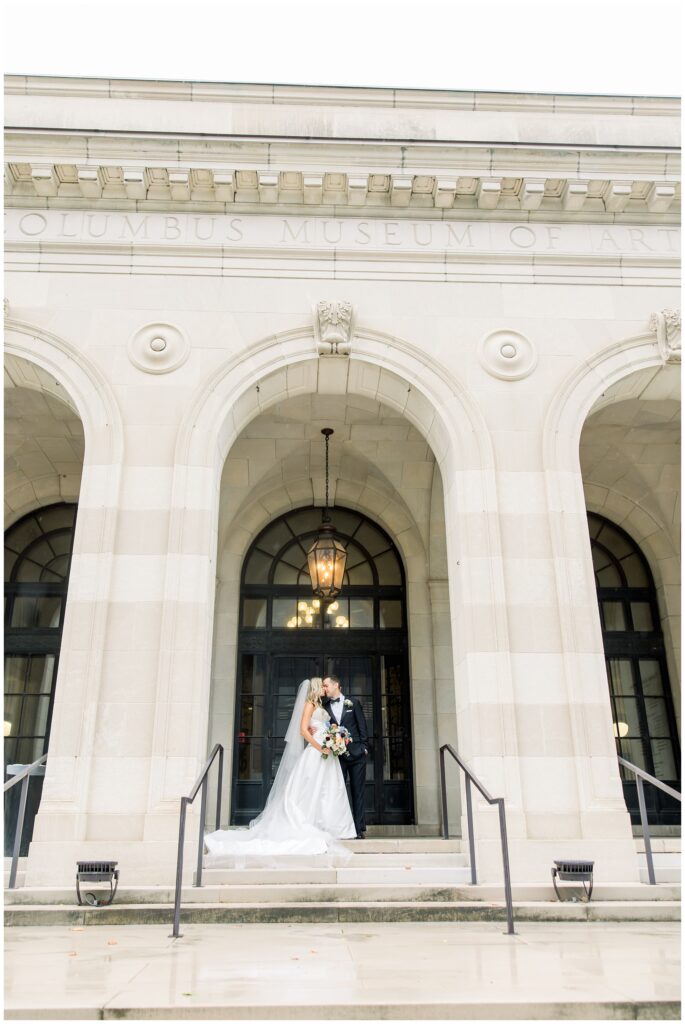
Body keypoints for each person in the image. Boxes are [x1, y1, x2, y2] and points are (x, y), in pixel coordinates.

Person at [204, 678, 356, 859]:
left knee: (328, 789)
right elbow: (303, 730)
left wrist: (333, 734)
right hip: (317, 752)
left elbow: (318, 726)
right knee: (310, 789)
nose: (324, 688)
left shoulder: (320, 704)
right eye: (322, 686)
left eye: (326, 685)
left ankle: (331, 825)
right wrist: (319, 746)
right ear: (316, 687)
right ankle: (311, 822)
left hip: (327, 752)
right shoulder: (309, 704)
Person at [322, 675, 369, 839]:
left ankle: (359, 829)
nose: (324, 688)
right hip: (337, 757)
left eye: (326, 685)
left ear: (336, 685)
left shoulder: (353, 703)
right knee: (337, 792)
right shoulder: (324, 706)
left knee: (358, 792)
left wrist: (364, 747)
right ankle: (340, 828)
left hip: (357, 755)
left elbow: (362, 725)